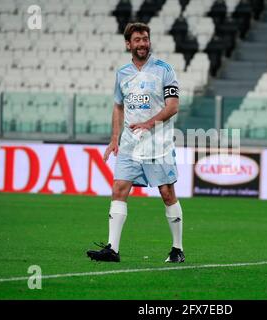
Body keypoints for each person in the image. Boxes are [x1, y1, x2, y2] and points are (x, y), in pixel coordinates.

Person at [86, 22, 185, 263]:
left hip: (158, 142)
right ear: (128, 44)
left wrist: (148, 123)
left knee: (166, 192)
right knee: (119, 188)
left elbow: (173, 107)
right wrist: (114, 138)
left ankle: (177, 249)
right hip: (130, 143)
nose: (142, 43)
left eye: (145, 39)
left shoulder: (164, 70)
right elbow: (118, 106)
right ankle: (112, 249)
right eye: (138, 40)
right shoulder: (122, 73)